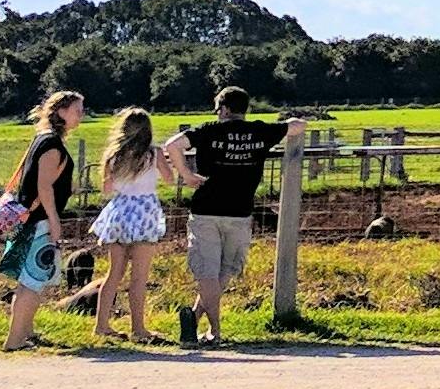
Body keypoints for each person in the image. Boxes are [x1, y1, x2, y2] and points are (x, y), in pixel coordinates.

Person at [172, 87, 303, 345]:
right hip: (240, 211)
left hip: (206, 209)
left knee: (207, 272)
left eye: (218, 109)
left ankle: (205, 325)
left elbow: (172, 145)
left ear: (225, 109)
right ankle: (208, 328)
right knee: (225, 271)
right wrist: (286, 123)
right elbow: (298, 125)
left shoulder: (209, 130)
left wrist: (186, 175)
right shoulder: (261, 131)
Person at [0, 92, 83, 350]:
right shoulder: (52, 146)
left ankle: (25, 333)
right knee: (32, 282)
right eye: (77, 110)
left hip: (30, 220)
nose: (82, 115)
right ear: (61, 112)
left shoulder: (41, 139)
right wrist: (55, 222)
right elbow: (44, 187)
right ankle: (14, 341)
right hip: (41, 222)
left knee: (29, 281)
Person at [83, 108, 175, 342]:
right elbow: (169, 179)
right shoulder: (153, 154)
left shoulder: (113, 156)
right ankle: (138, 328)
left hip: (119, 213)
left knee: (113, 273)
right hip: (144, 214)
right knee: (139, 277)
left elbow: (107, 189)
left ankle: (102, 325)